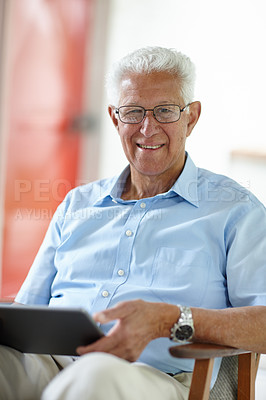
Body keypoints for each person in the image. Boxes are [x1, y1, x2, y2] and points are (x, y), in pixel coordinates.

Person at [1, 46, 266, 400]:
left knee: (95, 378)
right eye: (133, 112)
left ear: (192, 117)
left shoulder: (234, 210)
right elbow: (25, 309)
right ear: (115, 118)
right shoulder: (77, 204)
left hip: (156, 379)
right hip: (52, 363)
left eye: (165, 111)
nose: (148, 127)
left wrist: (170, 320)